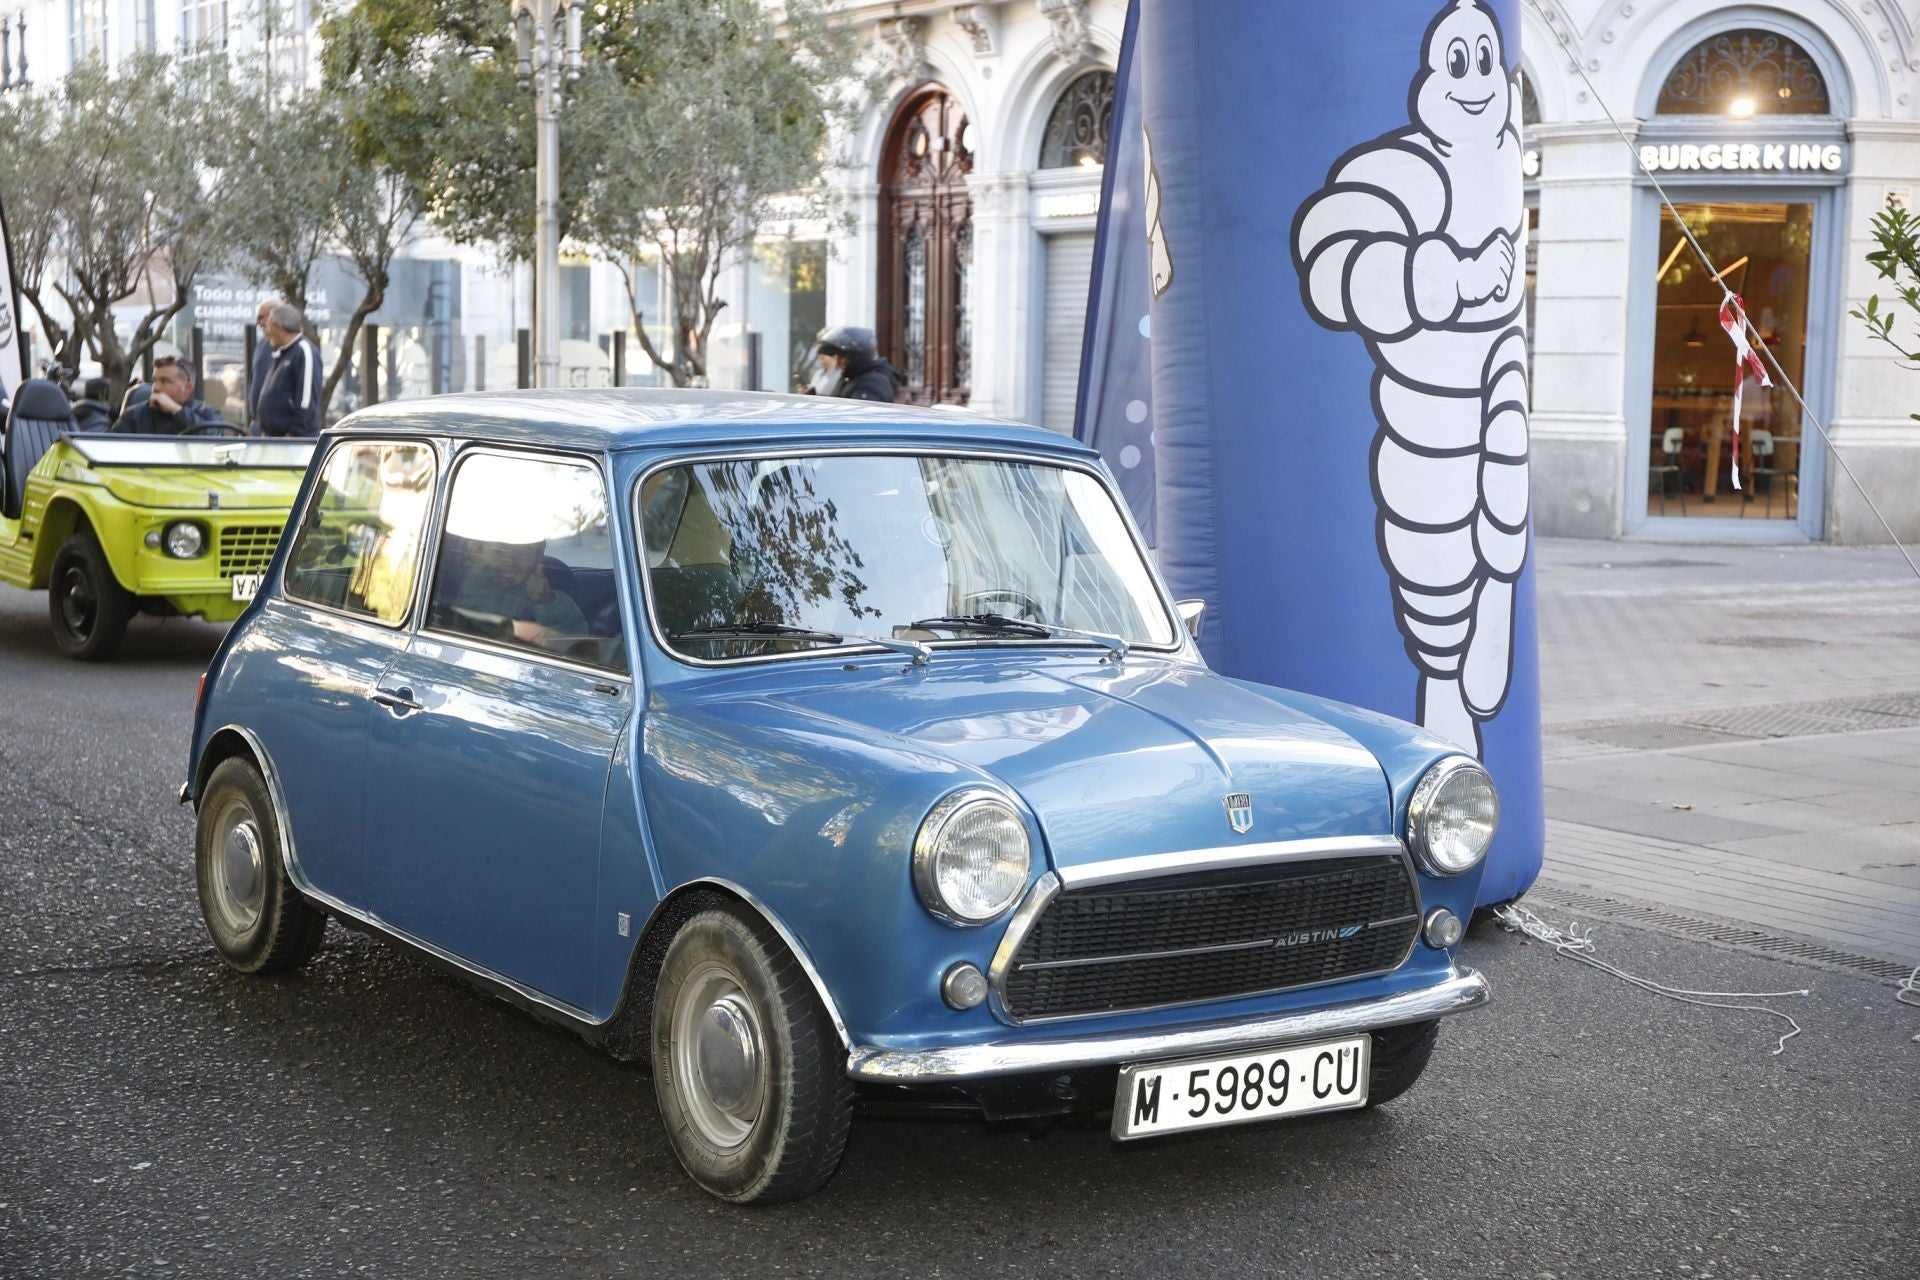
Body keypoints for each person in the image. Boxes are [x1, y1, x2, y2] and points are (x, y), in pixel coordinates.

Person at [455, 538, 587, 652]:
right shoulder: (461, 577)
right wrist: (476, 575)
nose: (509, 561)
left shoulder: (549, 592)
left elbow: (576, 644)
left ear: (538, 556)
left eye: (523, 552)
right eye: (500, 550)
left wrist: (546, 601)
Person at [255, 302, 324, 438]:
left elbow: (306, 400)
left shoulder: (304, 351)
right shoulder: (282, 352)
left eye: (268, 325)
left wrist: (293, 434)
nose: (266, 331)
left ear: (278, 327)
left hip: (294, 442)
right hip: (276, 440)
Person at [111, 357, 226, 435]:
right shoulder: (134, 416)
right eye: (155, 380)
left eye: (164, 381)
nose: (155, 388)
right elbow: (111, 449)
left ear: (187, 388)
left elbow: (213, 442)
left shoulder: (207, 413)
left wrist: (176, 411)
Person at [808, 326, 902, 403]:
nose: (840, 364)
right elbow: (837, 402)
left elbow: (857, 416)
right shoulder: (852, 377)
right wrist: (814, 398)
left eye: (842, 359)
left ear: (854, 357)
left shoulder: (874, 382)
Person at [246, 298, 278, 429]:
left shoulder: (292, 349)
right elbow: (253, 379)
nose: (258, 323)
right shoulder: (262, 344)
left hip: (279, 431)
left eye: (261, 317)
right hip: (258, 425)